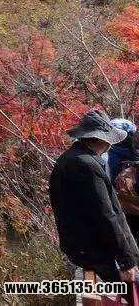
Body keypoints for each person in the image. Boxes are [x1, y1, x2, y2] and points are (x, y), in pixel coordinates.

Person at [50, 109, 139, 288]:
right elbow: (106, 216)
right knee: (135, 284)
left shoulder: (71, 158)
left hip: (82, 246)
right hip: (93, 250)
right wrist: (126, 261)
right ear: (100, 139)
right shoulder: (86, 166)